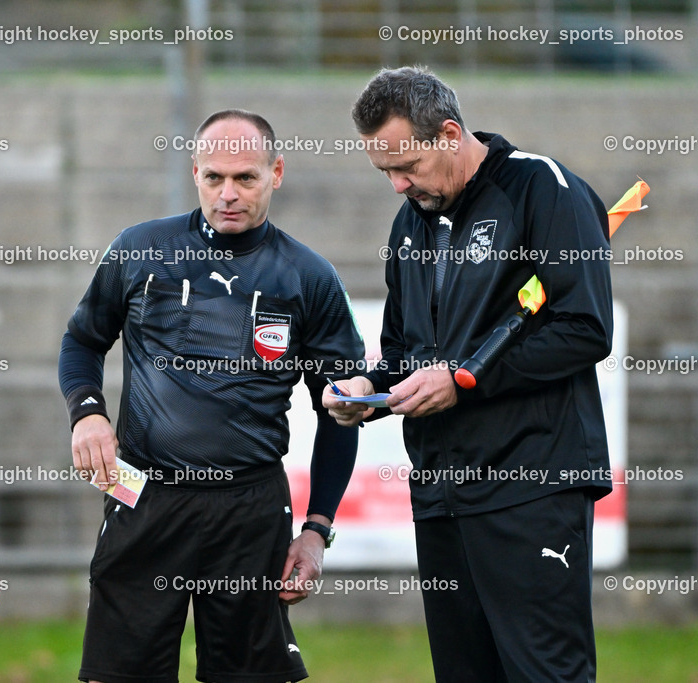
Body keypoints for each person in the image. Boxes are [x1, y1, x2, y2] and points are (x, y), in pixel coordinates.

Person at [325, 66, 613, 682]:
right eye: (384, 172)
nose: (397, 185)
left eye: (406, 166)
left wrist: (465, 381)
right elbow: (406, 353)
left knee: (545, 675)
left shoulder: (540, 187)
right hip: (440, 494)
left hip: (531, 484)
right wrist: (367, 390)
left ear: (449, 134)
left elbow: (585, 329)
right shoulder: (410, 223)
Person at [59, 109, 364, 683]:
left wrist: (317, 529)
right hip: (142, 494)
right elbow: (81, 340)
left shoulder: (309, 277)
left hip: (250, 507)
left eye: (245, 178)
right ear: (194, 171)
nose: (228, 194)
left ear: (277, 172)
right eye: (214, 177)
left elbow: (342, 414)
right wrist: (87, 415)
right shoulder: (140, 249)